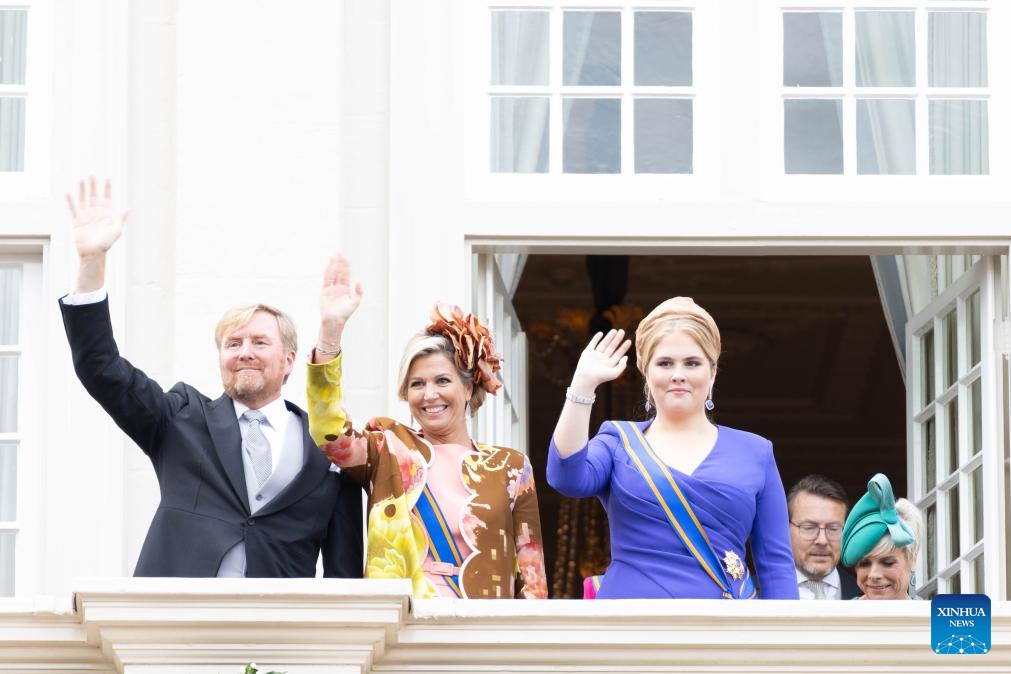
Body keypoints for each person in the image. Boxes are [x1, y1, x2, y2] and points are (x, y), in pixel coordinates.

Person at [59, 177, 363, 578]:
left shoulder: (328, 452)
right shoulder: (180, 417)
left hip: (281, 634)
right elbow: (101, 368)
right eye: (233, 343)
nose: (244, 353)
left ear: (289, 360)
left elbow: (345, 576)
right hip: (175, 626)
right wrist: (91, 265)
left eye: (259, 342)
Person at [305, 256, 548, 599]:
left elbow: (532, 573)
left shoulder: (512, 467)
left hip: (484, 630)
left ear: (468, 388)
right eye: (417, 384)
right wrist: (330, 332)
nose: (429, 394)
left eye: (442, 380)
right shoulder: (388, 446)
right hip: (403, 626)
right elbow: (327, 430)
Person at [547, 296, 798, 599]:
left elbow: (776, 565)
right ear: (647, 374)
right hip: (630, 627)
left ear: (713, 373)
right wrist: (582, 386)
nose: (678, 373)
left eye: (692, 363)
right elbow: (566, 477)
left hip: (725, 631)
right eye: (665, 363)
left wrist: (781, 643)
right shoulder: (618, 440)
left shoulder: (756, 451)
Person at [840, 473, 922, 600]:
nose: (874, 575)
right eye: (864, 563)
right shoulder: (839, 617)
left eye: (887, 563)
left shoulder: (931, 617)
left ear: (912, 561)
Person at [787, 475, 860, 600]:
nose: (822, 540)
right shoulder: (752, 595)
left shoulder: (867, 595)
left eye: (833, 529)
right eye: (809, 528)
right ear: (786, 529)